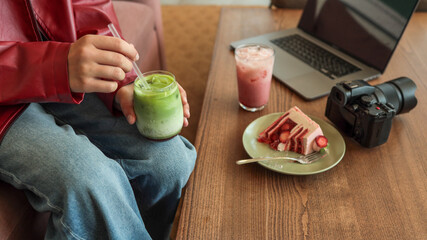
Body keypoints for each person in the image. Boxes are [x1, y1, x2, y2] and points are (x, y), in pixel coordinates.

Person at [0, 0, 196, 239]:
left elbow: (86, 6)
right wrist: (53, 66)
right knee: (91, 181)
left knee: (169, 161)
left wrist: (121, 79)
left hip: (58, 64)